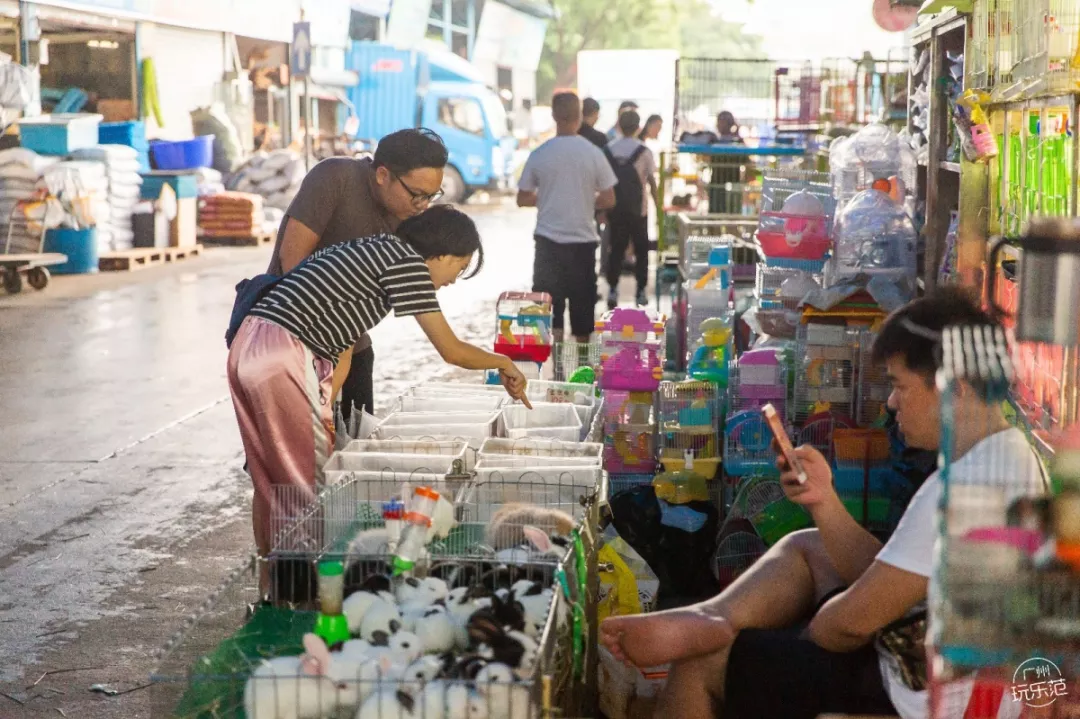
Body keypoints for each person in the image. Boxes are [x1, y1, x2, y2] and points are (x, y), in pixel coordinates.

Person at [600, 287, 1047, 719]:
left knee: (702, 664)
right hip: (948, 666)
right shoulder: (1009, 454)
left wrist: (803, 632)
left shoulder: (959, 490)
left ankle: (713, 632)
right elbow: (895, 572)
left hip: (922, 696)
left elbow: (848, 625)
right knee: (809, 546)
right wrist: (824, 500)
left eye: (900, 386)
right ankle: (713, 617)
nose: (891, 403)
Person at [229, 206, 530, 559]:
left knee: (272, 480)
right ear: (441, 251)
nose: (452, 280)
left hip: (247, 344)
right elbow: (451, 350)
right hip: (282, 352)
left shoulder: (370, 250)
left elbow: (342, 343)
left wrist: (325, 407)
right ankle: (305, 596)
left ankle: (272, 584)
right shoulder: (408, 263)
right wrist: (504, 362)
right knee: (306, 485)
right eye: (458, 267)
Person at [268, 128, 448, 424]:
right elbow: (292, 263)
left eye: (432, 196)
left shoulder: (410, 215)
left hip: (352, 345)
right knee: (292, 448)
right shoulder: (335, 177)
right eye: (417, 194)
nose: (423, 206)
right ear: (382, 175)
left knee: (353, 443)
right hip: (292, 338)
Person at [517, 92, 617, 343]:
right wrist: (584, 199)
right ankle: (581, 370)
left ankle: (556, 368)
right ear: (580, 116)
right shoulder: (593, 153)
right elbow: (609, 198)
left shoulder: (541, 153)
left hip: (547, 243)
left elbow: (522, 198)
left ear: (553, 115)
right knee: (583, 309)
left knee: (550, 307)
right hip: (582, 243)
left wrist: (549, 197)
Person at [606, 110, 657, 309]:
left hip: (615, 208)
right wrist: (657, 205)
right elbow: (651, 181)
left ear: (618, 125)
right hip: (639, 210)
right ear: (638, 127)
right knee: (641, 250)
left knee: (616, 249)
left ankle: (612, 288)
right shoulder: (644, 151)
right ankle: (641, 291)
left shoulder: (608, 150)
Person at [708, 111, 747, 215]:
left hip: (721, 184)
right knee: (728, 215)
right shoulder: (715, 140)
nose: (717, 125)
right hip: (724, 184)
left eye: (720, 122)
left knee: (724, 216)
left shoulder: (716, 141)